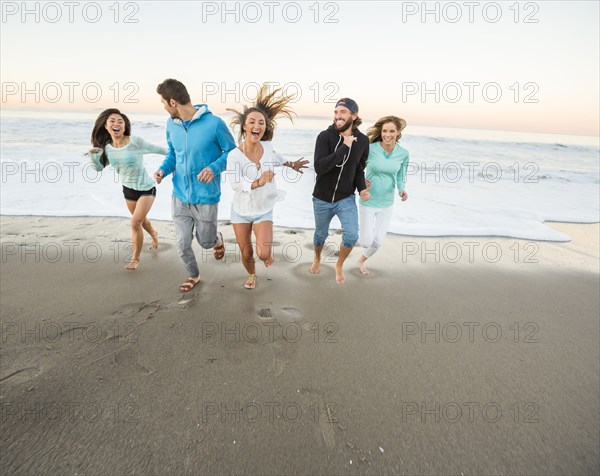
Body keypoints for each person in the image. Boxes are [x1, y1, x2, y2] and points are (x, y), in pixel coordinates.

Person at [153, 79, 236, 293]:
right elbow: (173, 154)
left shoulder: (215, 124)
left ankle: (216, 240)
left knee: (205, 242)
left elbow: (232, 153)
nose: (163, 108)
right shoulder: (172, 124)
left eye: (163, 103)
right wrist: (163, 169)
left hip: (206, 196)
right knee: (182, 243)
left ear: (173, 102)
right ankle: (193, 275)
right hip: (179, 195)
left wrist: (214, 167)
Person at [225, 85, 309, 289]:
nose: (257, 125)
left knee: (262, 253)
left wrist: (291, 164)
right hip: (241, 211)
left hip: (263, 209)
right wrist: (258, 182)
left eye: (261, 123)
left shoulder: (268, 147)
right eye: (252, 122)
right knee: (246, 253)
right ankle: (252, 274)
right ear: (244, 126)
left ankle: (266, 251)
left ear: (265, 127)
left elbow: (277, 158)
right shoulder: (234, 155)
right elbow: (236, 185)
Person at [89, 108, 166, 270]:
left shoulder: (135, 142)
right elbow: (98, 168)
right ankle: (154, 234)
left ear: (124, 127)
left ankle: (135, 259)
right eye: (112, 121)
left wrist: (178, 157)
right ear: (105, 126)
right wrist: (94, 156)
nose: (116, 124)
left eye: (120, 121)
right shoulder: (107, 149)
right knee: (141, 221)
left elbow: (160, 150)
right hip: (128, 190)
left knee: (135, 222)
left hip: (146, 188)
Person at [311, 98, 370, 284]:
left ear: (354, 116)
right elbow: (320, 167)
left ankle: (339, 265)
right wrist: (345, 146)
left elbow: (359, 169)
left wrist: (361, 189)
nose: (338, 116)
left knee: (352, 236)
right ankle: (317, 258)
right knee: (320, 235)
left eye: (343, 112)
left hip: (345, 198)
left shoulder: (363, 141)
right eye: (336, 112)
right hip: (321, 198)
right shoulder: (324, 137)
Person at [357, 116, 409, 275]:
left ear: (398, 132)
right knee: (366, 241)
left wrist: (402, 189)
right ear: (380, 132)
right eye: (384, 131)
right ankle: (350, 239)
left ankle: (361, 260)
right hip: (368, 200)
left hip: (387, 203)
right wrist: (361, 181)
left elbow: (401, 176)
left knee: (377, 242)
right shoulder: (370, 148)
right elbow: (357, 167)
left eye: (392, 131)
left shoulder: (403, 154)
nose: (388, 134)